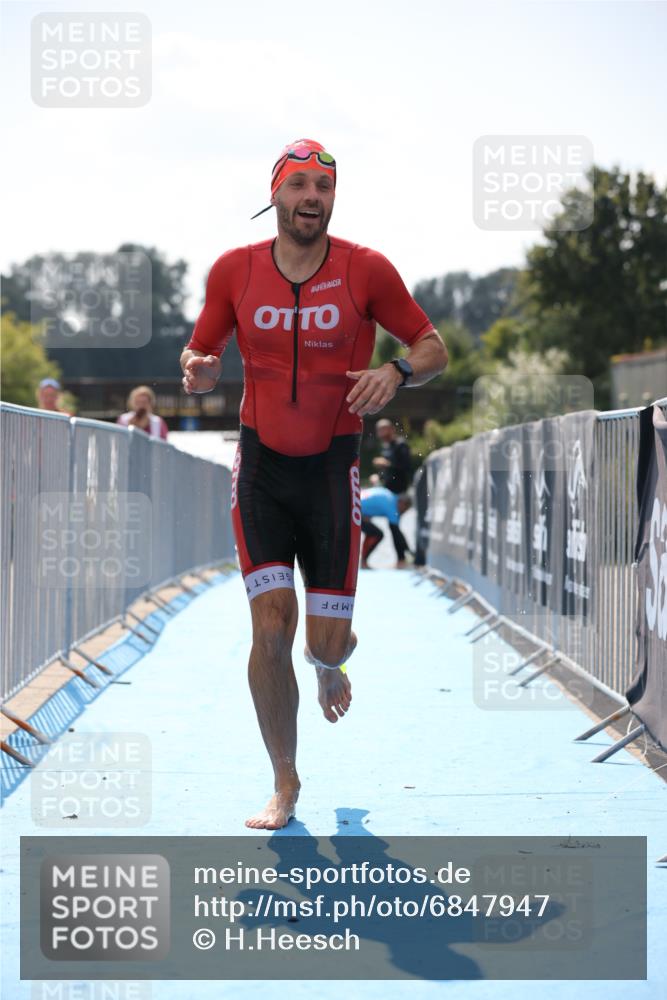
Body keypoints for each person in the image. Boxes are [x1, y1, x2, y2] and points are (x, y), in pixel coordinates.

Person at [180, 138, 448, 829]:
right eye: (299, 186)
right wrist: (200, 368)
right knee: (269, 625)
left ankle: (331, 658)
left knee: (322, 642)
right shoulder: (233, 272)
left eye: (323, 189)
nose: (311, 200)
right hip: (262, 470)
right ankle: (284, 781)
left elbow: (431, 346)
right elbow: (201, 347)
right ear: (275, 194)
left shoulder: (365, 269)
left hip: (331, 469)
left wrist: (395, 371)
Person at [360, 487, 412, 569]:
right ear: (402, 503)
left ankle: (363, 562)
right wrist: (403, 556)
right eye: (404, 510)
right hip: (353, 510)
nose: (402, 513)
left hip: (354, 505)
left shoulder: (389, 495)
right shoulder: (392, 507)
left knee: (373, 532)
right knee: (378, 534)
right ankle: (363, 562)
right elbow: (396, 534)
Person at [373, 418, 413, 493]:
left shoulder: (401, 445)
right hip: (387, 489)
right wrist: (378, 477)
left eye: (383, 430)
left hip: (400, 490)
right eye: (378, 430)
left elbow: (406, 466)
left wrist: (386, 464)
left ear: (392, 429)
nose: (380, 433)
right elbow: (386, 470)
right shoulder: (385, 446)